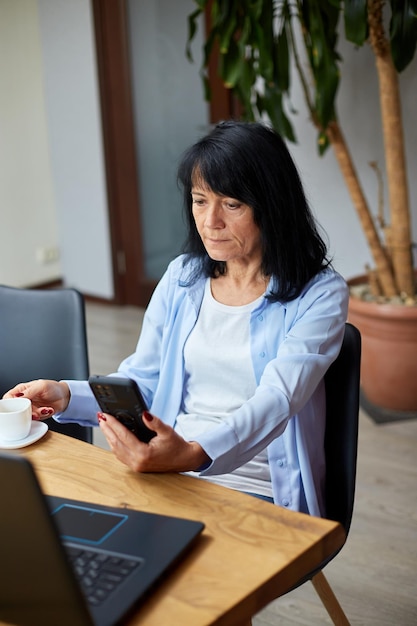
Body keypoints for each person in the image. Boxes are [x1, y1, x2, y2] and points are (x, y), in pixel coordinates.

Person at [4, 121, 348, 517]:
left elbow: (278, 398)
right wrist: (65, 394)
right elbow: (143, 380)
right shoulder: (183, 277)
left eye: (232, 204)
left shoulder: (321, 293)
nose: (210, 221)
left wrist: (191, 454)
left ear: (273, 205)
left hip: (255, 484)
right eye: (201, 200)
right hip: (165, 465)